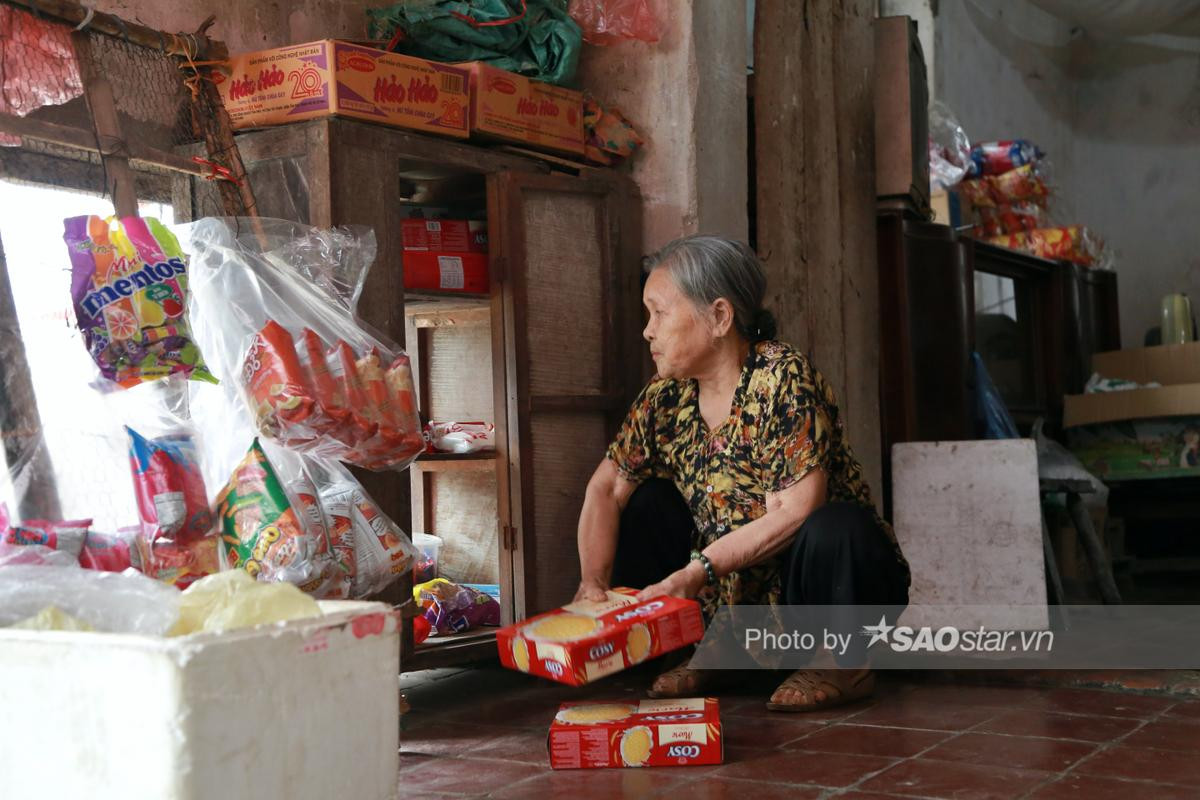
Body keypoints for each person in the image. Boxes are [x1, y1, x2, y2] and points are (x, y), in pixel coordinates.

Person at [573, 234, 910, 711]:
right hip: (730, 603)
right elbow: (606, 487)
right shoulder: (664, 396)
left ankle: (843, 664)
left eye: (660, 313)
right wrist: (593, 584)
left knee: (835, 525)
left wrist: (696, 572)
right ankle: (719, 652)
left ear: (719, 317)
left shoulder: (781, 378)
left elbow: (797, 512)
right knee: (647, 501)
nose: (648, 331)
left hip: (816, 593)